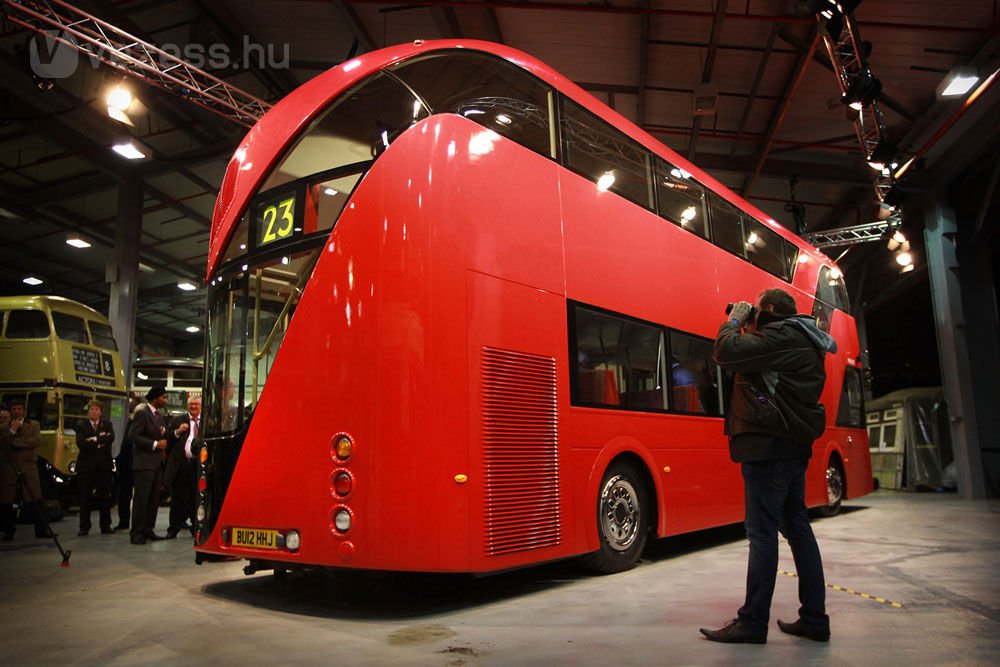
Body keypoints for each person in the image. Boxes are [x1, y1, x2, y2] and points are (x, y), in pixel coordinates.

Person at [699, 288, 837, 645]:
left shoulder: (783, 335)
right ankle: (814, 619)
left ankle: (752, 622)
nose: (753, 315)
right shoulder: (804, 340)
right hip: (791, 447)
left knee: (762, 534)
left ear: (771, 310)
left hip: (769, 447)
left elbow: (725, 352)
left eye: (757, 309)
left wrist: (734, 320)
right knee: (797, 527)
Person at [0, 398, 50, 540]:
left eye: (19, 409)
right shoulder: (4, 428)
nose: (17, 411)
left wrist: (18, 442)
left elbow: (36, 441)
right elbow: (4, 443)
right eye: (14, 409)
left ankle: (41, 530)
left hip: (28, 466)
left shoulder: (33, 425)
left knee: (35, 499)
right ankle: (9, 530)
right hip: (9, 467)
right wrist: (12, 431)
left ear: (24, 410)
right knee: (7, 501)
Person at [127, 386, 169, 545]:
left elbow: (163, 433)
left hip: (157, 464)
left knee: (153, 499)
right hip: (144, 463)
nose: (165, 400)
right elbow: (132, 436)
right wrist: (154, 444)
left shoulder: (159, 415)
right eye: (163, 397)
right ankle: (137, 532)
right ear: (156, 398)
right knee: (142, 499)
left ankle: (148, 529)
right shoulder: (142, 414)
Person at [75, 400, 115, 536]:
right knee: (85, 497)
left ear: (101, 412)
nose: (94, 412)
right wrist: (99, 442)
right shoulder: (81, 425)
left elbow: (111, 438)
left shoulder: (107, 424)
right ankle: (84, 526)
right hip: (86, 466)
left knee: (104, 497)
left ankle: (105, 525)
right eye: (91, 409)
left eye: (96, 409)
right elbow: (81, 443)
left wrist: (94, 439)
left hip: (104, 466)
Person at [163, 395, 201, 539]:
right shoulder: (178, 420)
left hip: (197, 466)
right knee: (177, 498)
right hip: (181, 465)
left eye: (196, 405)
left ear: (201, 407)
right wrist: (177, 432)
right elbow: (168, 436)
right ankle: (173, 528)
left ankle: (195, 527)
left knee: (195, 498)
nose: (194, 407)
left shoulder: (206, 422)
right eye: (191, 405)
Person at [114, 396, 142, 531]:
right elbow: (126, 444)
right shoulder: (131, 423)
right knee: (124, 493)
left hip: (140, 462)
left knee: (140, 495)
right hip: (126, 463)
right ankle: (123, 521)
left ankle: (139, 524)